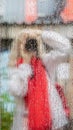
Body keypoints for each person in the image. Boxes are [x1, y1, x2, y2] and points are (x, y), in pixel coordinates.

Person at [8, 29, 71, 130]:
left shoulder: (45, 62)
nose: (29, 44)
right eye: (25, 41)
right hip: (26, 125)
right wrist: (26, 63)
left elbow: (66, 48)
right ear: (18, 46)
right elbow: (18, 90)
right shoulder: (16, 69)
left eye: (31, 41)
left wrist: (42, 34)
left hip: (52, 124)